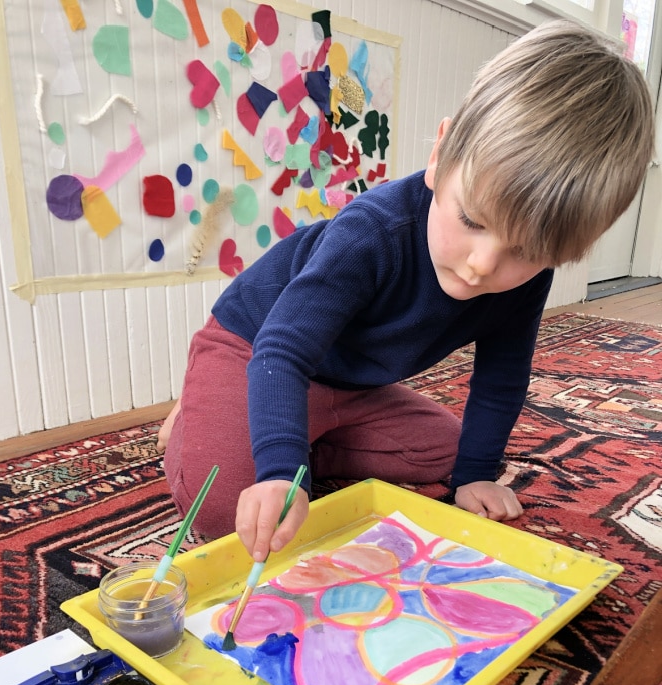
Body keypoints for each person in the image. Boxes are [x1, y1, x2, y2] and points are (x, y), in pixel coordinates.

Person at [159, 19, 654, 565]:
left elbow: (501, 376)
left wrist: (474, 476)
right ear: (440, 155)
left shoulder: (525, 277)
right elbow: (284, 347)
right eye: (471, 219)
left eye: (528, 252)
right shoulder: (371, 233)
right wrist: (278, 470)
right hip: (257, 348)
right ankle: (212, 408)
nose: (483, 265)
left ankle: (305, 438)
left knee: (444, 450)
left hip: (346, 381)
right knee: (224, 508)